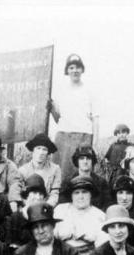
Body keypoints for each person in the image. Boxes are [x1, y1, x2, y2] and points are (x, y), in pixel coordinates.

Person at [51, 54, 99, 183]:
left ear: (82, 70)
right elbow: (58, 118)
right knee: (61, 174)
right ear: (67, 71)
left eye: (78, 67)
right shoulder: (61, 91)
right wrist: (51, 109)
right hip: (63, 136)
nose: (75, 70)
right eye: (71, 68)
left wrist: (94, 144)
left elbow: (95, 119)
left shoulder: (89, 91)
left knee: (82, 175)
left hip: (83, 136)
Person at [54, 176, 107, 255]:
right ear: (71, 195)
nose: (81, 196)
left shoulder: (99, 215)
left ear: (91, 194)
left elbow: (102, 246)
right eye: (76, 193)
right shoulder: (60, 210)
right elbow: (52, 237)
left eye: (84, 192)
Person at [60, 144, 112, 210]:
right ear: (77, 161)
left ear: (92, 161)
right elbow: (63, 204)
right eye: (81, 159)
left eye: (88, 158)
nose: (85, 162)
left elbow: (107, 204)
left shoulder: (101, 183)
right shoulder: (68, 182)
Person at [4, 174, 48, 253]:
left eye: (41, 194)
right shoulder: (14, 219)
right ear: (26, 194)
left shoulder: (46, 218)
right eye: (34, 193)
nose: (38, 197)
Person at [18, 133, 61, 207]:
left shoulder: (55, 169)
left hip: (47, 208)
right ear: (33, 150)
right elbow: (20, 194)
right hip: (28, 207)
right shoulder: (22, 170)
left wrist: (45, 208)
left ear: (48, 152)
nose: (41, 153)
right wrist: (29, 207)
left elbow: (54, 194)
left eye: (44, 149)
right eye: (38, 148)